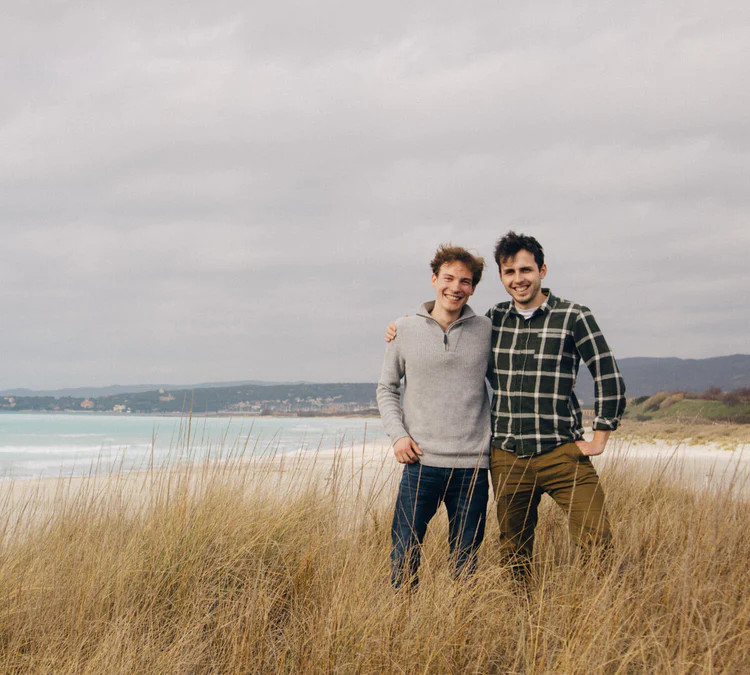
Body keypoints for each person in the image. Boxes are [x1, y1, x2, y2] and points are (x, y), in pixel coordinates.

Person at [386, 232, 626, 581]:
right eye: (510, 272)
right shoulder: (492, 321)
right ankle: (522, 618)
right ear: (501, 277)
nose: (519, 279)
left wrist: (600, 437)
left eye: (526, 270)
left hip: (562, 450)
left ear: (542, 270)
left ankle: (600, 612)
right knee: (514, 552)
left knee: (596, 539)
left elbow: (607, 372)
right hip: (508, 456)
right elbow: (447, 328)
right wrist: (405, 326)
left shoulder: (574, 316)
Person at [377, 244, 492, 589]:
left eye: (465, 281)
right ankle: (402, 628)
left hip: (473, 466)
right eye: (449, 278)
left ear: (473, 288)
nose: (456, 287)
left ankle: (458, 634)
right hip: (421, 463)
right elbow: (386, 388)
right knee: (404, 556)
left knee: (465, 562)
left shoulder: (487, 329)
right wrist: (398, 436)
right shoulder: (404, 329)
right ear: (433, 279)